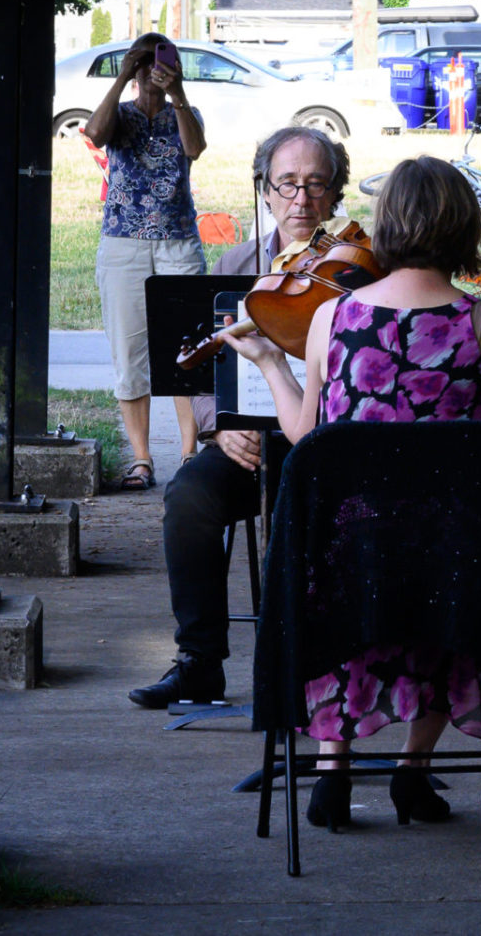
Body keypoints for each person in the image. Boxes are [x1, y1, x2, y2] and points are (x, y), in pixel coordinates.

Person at [224, 155, 481, 829]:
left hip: (351, 554)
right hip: (453, 561)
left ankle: (332, 769)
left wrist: (269, 362)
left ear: (386, 227)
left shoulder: (333, 319)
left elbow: (304, 435)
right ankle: (412, 772)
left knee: (349, 588)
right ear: (466, 228)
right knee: (454, 592)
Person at [128, 126, 350, 711]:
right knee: (189, 496)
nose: (302, 200)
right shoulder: (238, 264)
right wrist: (219, 425)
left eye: (317, 185)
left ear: (335, 195)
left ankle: (321, 668)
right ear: (267, 192)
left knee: (313, 510)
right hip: (250, 441)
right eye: (288, 185)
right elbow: (199, 375)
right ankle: (200, 662)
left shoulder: (358, 274)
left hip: (333, 445)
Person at [85, 32, 207, 489]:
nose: (154, 70)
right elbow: (95, 135)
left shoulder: (186, 114)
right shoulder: (119, 115)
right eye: (147, 62)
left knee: (187, 350)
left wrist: (177, 95)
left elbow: (194, 149)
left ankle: (190, 453)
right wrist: (120, 78)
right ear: (136, 68)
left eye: (162, 61)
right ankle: (141, 459)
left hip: (177, 241)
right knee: (129, 353)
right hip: (123, 244)